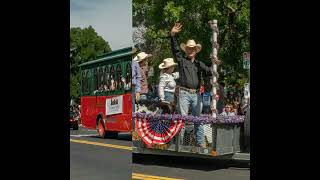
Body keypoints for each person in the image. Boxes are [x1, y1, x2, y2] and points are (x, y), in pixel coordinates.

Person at [170, 23, 216, 148]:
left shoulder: (199, 64)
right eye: (189, 48)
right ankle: (178, 145)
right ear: (186, 50)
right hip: (184, 93)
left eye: (192, 49)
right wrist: (173, 36)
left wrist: (216, 63)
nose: (190, 50)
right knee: (182, 120)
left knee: (198, 120)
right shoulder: (181, 60)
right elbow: (175, 50)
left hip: (196, 94)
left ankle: (200, 144)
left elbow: (210, 71)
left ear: (195, 51)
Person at [132, 48, 142, 114]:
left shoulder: (135, 64)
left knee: (132, 105)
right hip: (123, 88)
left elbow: (138, 77)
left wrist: (138, 91)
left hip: (133, 87)